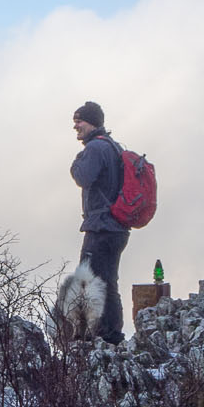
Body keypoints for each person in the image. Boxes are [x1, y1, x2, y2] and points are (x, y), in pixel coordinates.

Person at [69, 100, 128, 344]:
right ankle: (111, 333)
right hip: (117, 227)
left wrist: (76, 162)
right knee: (107, 280)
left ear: (91, 121)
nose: (75, 127)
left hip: (101, 226)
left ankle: (95, 335)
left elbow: (83, 176)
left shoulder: (94, 149)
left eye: (79, 121)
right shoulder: (113, 147)